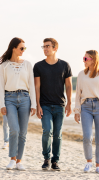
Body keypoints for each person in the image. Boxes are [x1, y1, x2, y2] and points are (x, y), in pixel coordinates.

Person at [33, 38, 73, 171]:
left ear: (55, 48)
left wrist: (69, 103)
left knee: (57, 134)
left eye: (48, 46)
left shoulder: (65, 65)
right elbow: (37, 87)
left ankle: (55, 161)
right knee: (47, 131)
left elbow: (68, 86)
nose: (45, 49)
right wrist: (38, 105)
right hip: (45, 105)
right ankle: (46, 158)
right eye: (43, 46)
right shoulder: (38, 66)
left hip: (60, 105)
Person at [0, 37, 36, 171]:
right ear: (14, 48)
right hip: (9, 98)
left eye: (24, 48)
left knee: (23, 132)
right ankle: (12, 159)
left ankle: (19, 161)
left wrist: (34, 105)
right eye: (21, 48)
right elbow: (1, 86)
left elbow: (31, 85)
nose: (23, 50)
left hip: (25, 98)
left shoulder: (27, 64)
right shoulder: (4, 65)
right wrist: (2, 104)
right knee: (14, 129)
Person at [0, 85, 9, 149]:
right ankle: (6, 141)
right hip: (4, 101)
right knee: (5, 122)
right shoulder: (1, 75)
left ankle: (15, 141)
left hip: (15, 99)